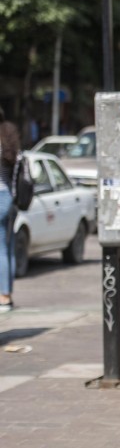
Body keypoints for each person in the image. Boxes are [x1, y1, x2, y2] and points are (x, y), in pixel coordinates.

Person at [0, 108, 19, 312]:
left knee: (0, 250)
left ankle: (3, 297)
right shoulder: (9, 143)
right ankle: (7, 295)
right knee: (8, 247)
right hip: (9, 198)